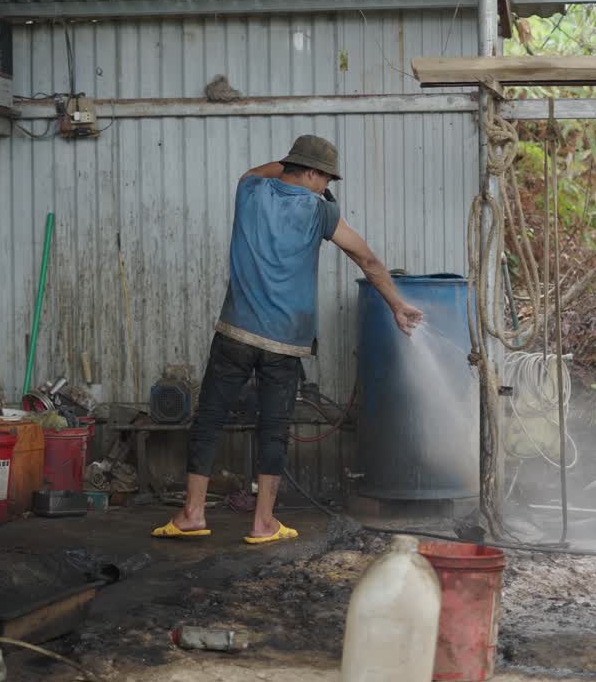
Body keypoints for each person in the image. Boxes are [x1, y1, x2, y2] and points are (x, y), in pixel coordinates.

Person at [153, 135, 423, 544]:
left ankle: (192, 513)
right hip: (284, 341)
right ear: (312, 173)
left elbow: (256, 172)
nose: (327, 185)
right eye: (325, 177)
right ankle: (263, 524)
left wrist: (288, 167)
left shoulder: (249, 190)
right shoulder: (320, 211)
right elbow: (367, 259)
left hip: (236, 332)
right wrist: (397, 305)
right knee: (273, 428)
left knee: (209, 418)